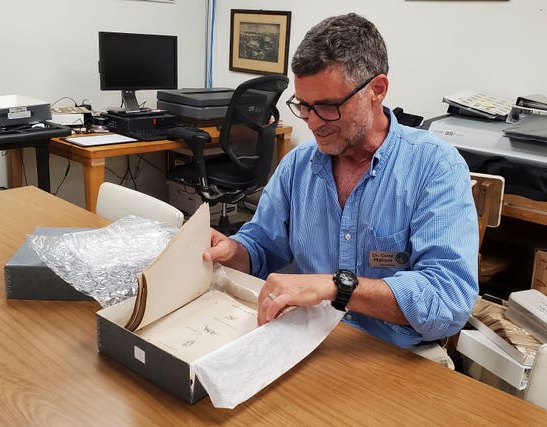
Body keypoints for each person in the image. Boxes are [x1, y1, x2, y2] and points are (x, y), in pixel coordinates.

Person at [203, 13, 479, 353]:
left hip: (396, 356)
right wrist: (234, 251)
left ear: (377, 90)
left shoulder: (435, 167)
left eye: (328, 107)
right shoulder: (298, 166)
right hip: (306, 341)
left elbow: (449, 299)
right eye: (303, 106)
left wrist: (339, 287)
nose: (314, 123)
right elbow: (263, 248)